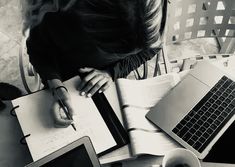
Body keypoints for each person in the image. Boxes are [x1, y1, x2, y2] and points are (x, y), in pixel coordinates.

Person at [24, 0, 167, 128]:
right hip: (64, 80)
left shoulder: (151, 7)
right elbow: (39, 51)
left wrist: (112, 72)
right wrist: (56, 86)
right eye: (111, 51)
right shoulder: (58, 11)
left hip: (108, 83)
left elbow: (153, 48)